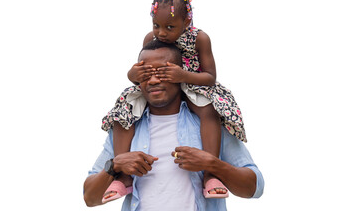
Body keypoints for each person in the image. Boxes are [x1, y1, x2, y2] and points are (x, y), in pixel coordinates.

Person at [101, 0, 247, 202]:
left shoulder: (199, 38)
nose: (161, 33)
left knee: (209, 112)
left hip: (193, 84)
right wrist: (132, 74)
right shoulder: (150, 38)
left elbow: (210, 77)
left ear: (187, 22)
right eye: (156, 25)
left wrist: (183, 75)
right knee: (126, 107)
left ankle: (211, 175)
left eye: (170, 27)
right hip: (164, 86)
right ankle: (122, 177)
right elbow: (144, 71)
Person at [83, 40, 264, 210]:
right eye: (146, 74)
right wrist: (114, 166)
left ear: (180, 75)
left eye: (162, 72)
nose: (153, 80)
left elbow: (255, 187)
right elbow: (89, 197)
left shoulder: (209, 125)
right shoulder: (126, 126)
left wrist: (213, 164)